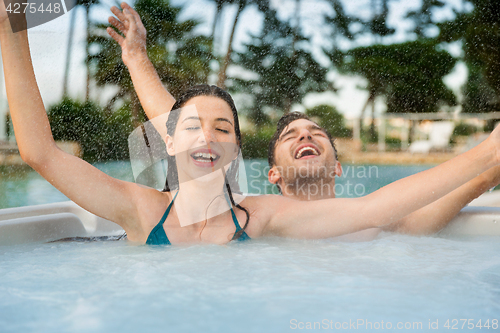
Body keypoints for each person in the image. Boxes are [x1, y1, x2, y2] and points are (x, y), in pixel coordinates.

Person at [2, 5, 500, 246]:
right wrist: (13, 24)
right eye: (195, 127)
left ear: (237, 149)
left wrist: (485, 156)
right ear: (169, 138)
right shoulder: (140, 209)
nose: (210, 136)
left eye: (224, 129)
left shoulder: (260, 217)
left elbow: (374, 207)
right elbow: (40, 153)